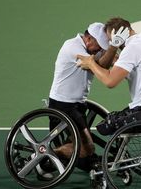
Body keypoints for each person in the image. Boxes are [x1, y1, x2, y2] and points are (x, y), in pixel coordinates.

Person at [46, 22, 124, 176]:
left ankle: (54, 162)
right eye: (99, 46)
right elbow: (99, 65)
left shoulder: (90, 48)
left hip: (78, 105)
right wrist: (112, 49)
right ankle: (43, 155)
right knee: (87, 148)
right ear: (88, 38)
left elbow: (110, 60)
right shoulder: (72, 47)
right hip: (63, 106)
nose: (100, 50)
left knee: (82, 146)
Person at [76, 17, 141, 136]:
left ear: (117, 36)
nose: (109, 43)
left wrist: (91, 63)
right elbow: (123, 66)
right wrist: (109, 56)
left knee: (105, 126)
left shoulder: (133, 47)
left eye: (109, 40)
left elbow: (110, 82)